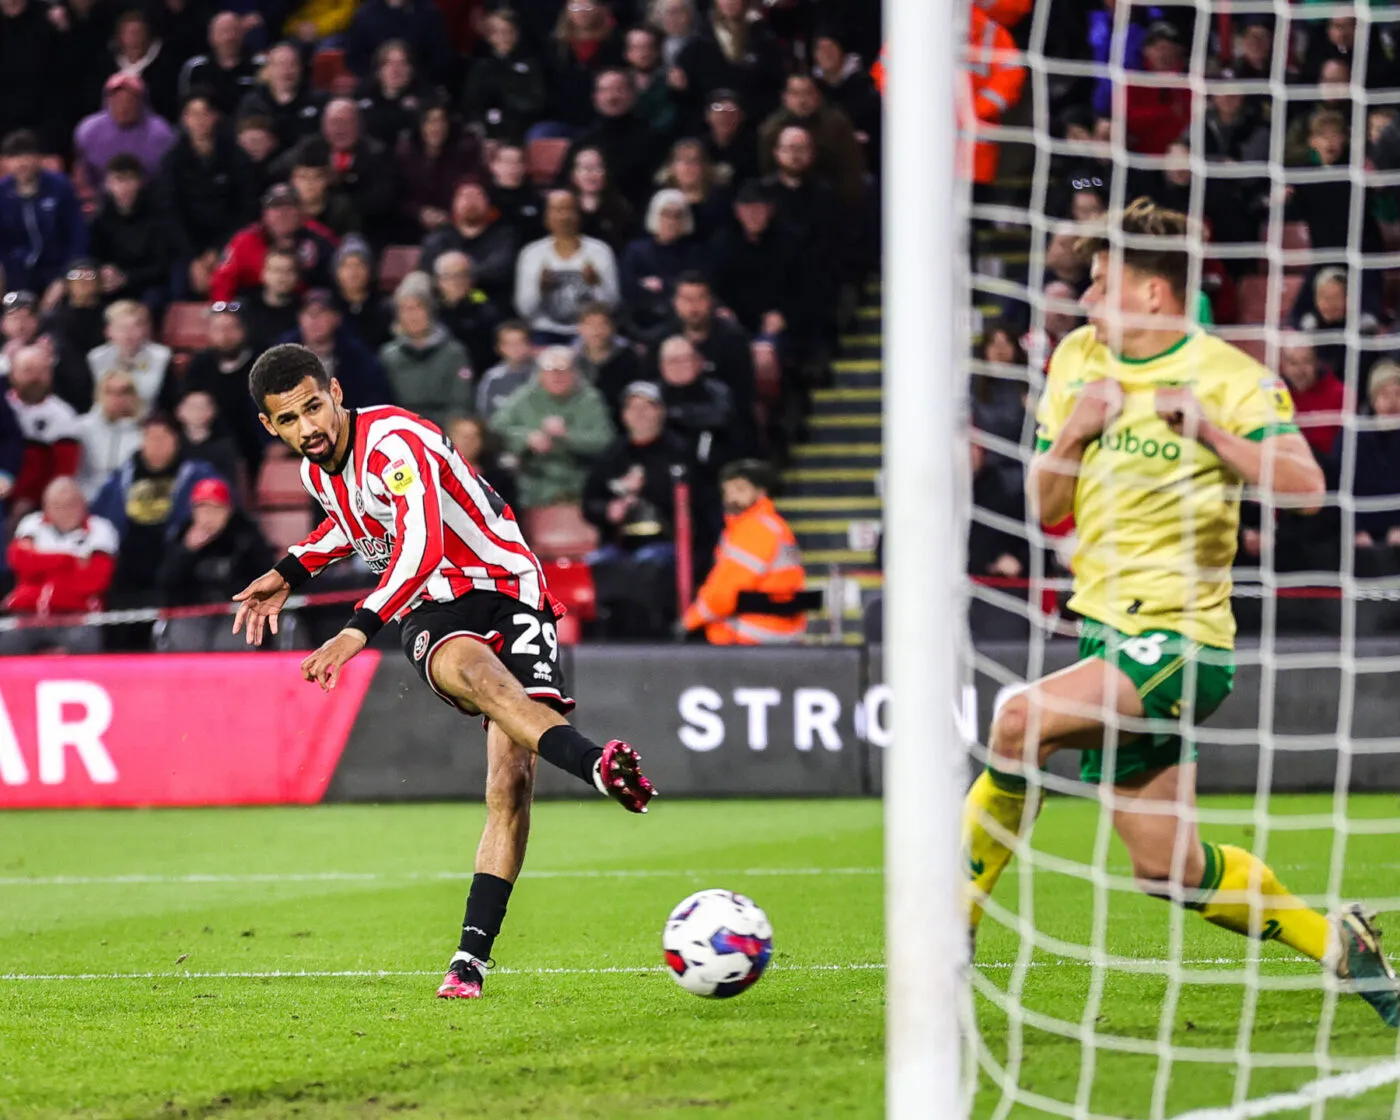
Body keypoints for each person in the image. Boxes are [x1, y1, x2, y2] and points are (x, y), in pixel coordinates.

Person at [961, 197, 1400, 1026]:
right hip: (1108, 636)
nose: (1085, 302)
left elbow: (1307, 487)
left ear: (1152, 293)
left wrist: (1210, 435)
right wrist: (1073, 436)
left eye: (1100, 284)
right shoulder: (1077, 363)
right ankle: (1339, 941)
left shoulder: (1231, 377)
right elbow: (1046, 505)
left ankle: (951, 929)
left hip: (1182, 643)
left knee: (1017, 723)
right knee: (1168, 869)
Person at [232, 343, 656, 1001]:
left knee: (510, 780)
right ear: (270, 426)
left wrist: (355, 629)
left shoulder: (395, 440)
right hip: (433, 606)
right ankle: (599, 766)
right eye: (289, 420)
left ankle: (469, 960)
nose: (308, 428)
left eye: (314, 407)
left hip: (507, 586)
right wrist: (289, 570)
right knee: (484, 681)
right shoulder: (320, 473)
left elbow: (420, 543)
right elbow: (353, 526)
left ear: (336, 392)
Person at [582, 380, 686, 638]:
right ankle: (604, 638)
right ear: (624, 415)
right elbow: (589, 503)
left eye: (647, 407)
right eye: (632, 407)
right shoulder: (612, 454)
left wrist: (647, 488)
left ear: (660, 411)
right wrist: (608, 510)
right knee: (596, 564)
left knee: (648, 566)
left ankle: (651, 636)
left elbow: (690, 502)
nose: (639, 414)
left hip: (665, 540)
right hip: (620, 542)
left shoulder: (678, 451)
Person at [92, 410, 221, 610]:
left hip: (174, 556)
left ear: (176, 440)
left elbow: (220, 506)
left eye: (162, 437)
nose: (156, 444)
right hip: (127, 559)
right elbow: (98, 516)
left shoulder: (198, 473)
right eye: (150, 437)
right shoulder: (121, 476)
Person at [680, 458, 805, 644]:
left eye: (740, 489)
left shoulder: (755, 528)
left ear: (761, 492)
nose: (731, 498)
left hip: (756, 632)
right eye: (727, 491)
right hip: (776, 627)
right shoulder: (765, 525)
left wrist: (688, 622)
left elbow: (726, 591)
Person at [158, 92, 260, 299]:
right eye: (192, 114)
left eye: (205, 114)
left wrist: (218, 250)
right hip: (187, 247)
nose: (199, 121)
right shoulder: (172, 161)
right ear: (184, 119)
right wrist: (194, 258)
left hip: (230, 242)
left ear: (215, 117)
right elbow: (168, 212)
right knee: (179, 288)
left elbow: (247, 208)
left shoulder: (236, 157)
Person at [1, 476, 117, 655]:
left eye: (72, 503)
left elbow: (94, 580)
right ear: (46, 507)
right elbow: (19, 560)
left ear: (83, 503)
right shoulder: (32, 524)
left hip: (77, 617)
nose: (65, 510)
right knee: (6, 642)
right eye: (57, 505)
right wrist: (68, 561)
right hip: (28, 614)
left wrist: (41, 566)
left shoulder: (100, 529)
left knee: (84, 643)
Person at [490, 345, 614, 509]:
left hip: (579, 480)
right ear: (540, 375)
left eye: (564, 370)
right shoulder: (526, 396)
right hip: (532, 482)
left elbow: (606, 440)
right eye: (550, 371)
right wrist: (527, 438)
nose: (557, 376)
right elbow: (496, 428)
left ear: (574, 373)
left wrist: (568, 437)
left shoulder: (590, 399)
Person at [514, 190, 620, 343]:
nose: (564, 217)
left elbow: (612, 304)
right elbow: (525, 311)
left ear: (579, 215)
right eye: (557, 210)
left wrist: (596, 284)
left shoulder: (600, 251)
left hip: (589, 333)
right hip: (544, 332)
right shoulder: (531, 254)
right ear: (546, 217)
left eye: (569, 209)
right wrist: (540, 288)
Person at [157, 474, 272, 610]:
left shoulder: (245, 535)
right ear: (193, 512)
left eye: (215, 509)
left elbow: (266, 576)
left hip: (236, 609)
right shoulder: (182, 535)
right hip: (192, 612)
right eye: (202, 509)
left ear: (228, 511)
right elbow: (165, 584)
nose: (208, 517)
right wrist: (186, 551)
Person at [210, 183, 338, 302]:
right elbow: (222, 281)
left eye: (289, 207)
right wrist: (223, 312)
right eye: (276, 207)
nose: (282, 214)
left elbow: (340, 273)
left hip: (307, 312)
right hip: (255, 310)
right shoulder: (244, 241)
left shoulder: (320, 238)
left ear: (301, 212)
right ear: (265, 214)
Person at [379, 272, 473, 430]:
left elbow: (461, 404)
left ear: (430, 311)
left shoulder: (454, 353)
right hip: (401, 430)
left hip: (445, 430)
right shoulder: (388, 356)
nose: (412, 316)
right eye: (405, 309)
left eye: (417, 308)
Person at [0, 130, 88, 300]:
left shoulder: (60, 187)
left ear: (39, 158)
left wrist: (64, 277)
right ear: (6, 162)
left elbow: (78, 236)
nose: (22, 163)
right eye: (15, 157)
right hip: (18, 271)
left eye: (27, 156)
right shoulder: (1, 193)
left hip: (57, 268)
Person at [180, 302, 264, 478]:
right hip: (213, 447)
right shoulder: (199, 366)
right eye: (218, 329)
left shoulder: (261, 363)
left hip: (255, 446)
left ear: (244, 330)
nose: (225, 335)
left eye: (231, 328)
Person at [758, 74, 865, 205]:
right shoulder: (771, 130)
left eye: (807, 93)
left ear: (818, 96)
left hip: (831, 198)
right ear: (785, 98)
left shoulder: (836, 124)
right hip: (785, 202)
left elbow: (851, 167)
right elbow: (767, 172)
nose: (802, 100)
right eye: (795, 93)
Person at [283, 288, 395, 410]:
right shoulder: (282, 357)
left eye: (321, 313)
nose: (314, 320)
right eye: (309, 314)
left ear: (336, 319)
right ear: (300, 318)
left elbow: (374, 400)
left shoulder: (358, 358)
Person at [5, 343, 81, 519]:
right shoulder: (4, 407)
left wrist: (32, 501)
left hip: (40, 507)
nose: (35, 378)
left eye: (42, 371)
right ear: (12, 374)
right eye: (27, 370)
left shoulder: (63, 416)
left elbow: (64, 473)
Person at [89, 154, 174, 311]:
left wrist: (127, 278)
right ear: (108, 184)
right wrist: (103, 271)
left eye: (130, 180)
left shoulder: (157, 216)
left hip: (147, 284)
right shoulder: (99, 219)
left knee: (155, 298)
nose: (124, 187)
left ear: (140, 182)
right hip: (112, 285)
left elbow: (162, 265)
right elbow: (93, 256)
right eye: (118, 180)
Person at [563, 69, 662, 204]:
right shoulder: (583, 143)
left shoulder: (652, 139)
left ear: (633, 95)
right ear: (595, 97)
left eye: (619, 90)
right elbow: (564, 185)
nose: (611, 97)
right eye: (605, 90)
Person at [420, 178, 520, 306]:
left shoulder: (504, 236)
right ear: (453, 204)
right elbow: (427, 273)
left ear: (488, 203)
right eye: (464, 196)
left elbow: (500, 272)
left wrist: (456, 278)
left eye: (477, 196)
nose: (470, 201)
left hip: (484, 299)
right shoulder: (438, 238)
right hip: (443, 302)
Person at [397, 101, 482, 244]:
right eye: (431, 122)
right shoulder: (406, 155)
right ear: (420, 126)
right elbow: (398, 195)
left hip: (454, 224)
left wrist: (449, 214)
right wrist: (419, 212)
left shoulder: (464, 154)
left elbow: (470, 190)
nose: (437, 128)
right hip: (412, 224)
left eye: (442, 121)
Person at [620, 190, 703, 335]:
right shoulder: (636, 251)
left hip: (684, 324)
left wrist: (662, 284)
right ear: (655, 216)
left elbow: (694, 289)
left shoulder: (694, 253)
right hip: (642, 322)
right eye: (666, 214)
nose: (671, 221)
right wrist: (673, 287)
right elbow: (629, 290)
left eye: (677, 216)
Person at [74, 72, 177, 188]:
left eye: (129, 100)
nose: (123, 106)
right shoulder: (89, 131)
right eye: (117, 100)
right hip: (101, 200)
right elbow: (82, 177)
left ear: (141, 102)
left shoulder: (161, 134)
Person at [462, 8, 547, 144]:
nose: (503, 38)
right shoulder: (481, 67)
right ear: (489, 36)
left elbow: (536, 102)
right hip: (488, 129)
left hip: (521, 128)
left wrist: (509, 111)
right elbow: (473, 104)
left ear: (516, 34)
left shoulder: (530, 65)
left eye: (508, 32)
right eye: (497, 32)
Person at [655, 333, 733, 475]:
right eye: (673, 361)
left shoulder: (717, 390)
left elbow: (720, 417)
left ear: (699, 362)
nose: (680, 366)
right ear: (662, 366)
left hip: (712, 464)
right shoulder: (652, 393)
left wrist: (672, 414)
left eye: (686, 359)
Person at [1345, 360, 1400, 552]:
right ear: (1372, 398)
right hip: (1362, 536)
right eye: (1384, 395)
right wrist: (1357, 530)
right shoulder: (1353, 438)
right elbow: (1342, 489)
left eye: (1398, 394)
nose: (1392, 402)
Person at [236, 41, 325, 153]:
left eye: (293, 64)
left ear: (301, 68)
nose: (287, 71)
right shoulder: (253, 103)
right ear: (269, 69)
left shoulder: (317, 101)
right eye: (281, 65)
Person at [86, 300, 173, 412]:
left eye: (134, 327)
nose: (128, 334)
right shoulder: (96, 357)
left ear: (145, 330)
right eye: (121, 328)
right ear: (108, 331)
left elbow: (155, 397)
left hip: (148, 418)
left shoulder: (161, 356)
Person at [76, 369, 145, 499]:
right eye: (110, 392)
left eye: (124, 392)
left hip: (126, 502)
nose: (117, 398)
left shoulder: (143, 433)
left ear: (134, 396)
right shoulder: (82, 428)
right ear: (100, 395)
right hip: (85, 499)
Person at [432, 251, 501, 376]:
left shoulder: (487, 312)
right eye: (448, 275)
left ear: (471, 280)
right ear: (438, 281)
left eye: (462, 275)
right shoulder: (430, 311)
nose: (455, 281)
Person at [177, 11, 258, 116]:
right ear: (211, 37)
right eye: (223, 32)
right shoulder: (196, 68)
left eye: (234, 30)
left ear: (243, 34)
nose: (229, 37)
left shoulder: (258, 66)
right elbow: (185, 109)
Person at [1279, 338, 1345, 458]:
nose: (1300, 370)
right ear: (1284, 367)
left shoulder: (1339, 394)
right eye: (1293, 363)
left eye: (1306, 362)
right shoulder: (1274, 394)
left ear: (1316, 363)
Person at [574, 302, 641, 414]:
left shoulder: (628, 358)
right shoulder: (572, 360)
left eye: (602, 324)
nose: (596, 330)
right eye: (590, 324)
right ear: (580, 328)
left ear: (612, 328)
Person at [567, 146, 637, 253]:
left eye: (597, 168)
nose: (592, 174)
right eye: (586, 168)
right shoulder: (566, 207)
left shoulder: (620, 207)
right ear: (574, 175)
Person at [238, 248, 303, 354]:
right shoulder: (245, 309)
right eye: (276, 270)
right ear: (263, 274)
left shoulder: (304, 311)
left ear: (297, 276)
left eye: (289, 271)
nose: (282, 277)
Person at [333, 237, 392, 351]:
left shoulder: (384, 308)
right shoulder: (331, 308)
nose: (353, 272)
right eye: (347, 266)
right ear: (337, 272)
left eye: (359, 265)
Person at [175, 389, 242, 489]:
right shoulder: (172, 445)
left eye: (202, 406)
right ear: (179, 411)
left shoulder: (224, 448)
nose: (196, 411)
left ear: (212, 411)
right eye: (191, 406)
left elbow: (230, 486)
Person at [477, 319, 537, 421]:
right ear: (499, 348)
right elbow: (485, 414)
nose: (515, 348)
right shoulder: (492, 378)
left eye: (520, 343)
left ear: (530, 345)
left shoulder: (541, 374)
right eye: (509, 344)